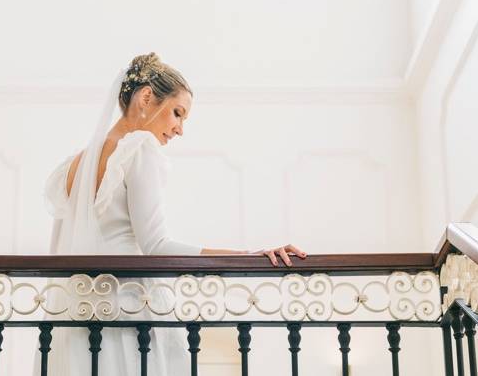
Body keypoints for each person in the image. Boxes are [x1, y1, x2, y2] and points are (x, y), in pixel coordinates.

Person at [35, 52, 306, 375]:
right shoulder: (139, 147)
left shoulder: (76, 164)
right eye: (178, 113)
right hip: (126, 314)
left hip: (76, 320)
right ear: (147, 97)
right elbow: (157, 246)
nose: (179, 130)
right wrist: (248, 255)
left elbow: (59, 247)